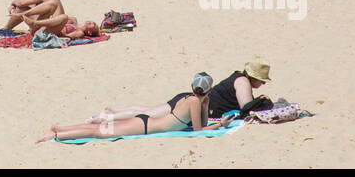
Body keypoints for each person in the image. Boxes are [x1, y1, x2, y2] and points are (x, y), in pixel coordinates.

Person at [37, 73, 229, 142]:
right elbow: (198, 130)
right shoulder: (194, 102)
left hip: (144, 122)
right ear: (209, 89)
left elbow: (201, 123)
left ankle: (60, 129)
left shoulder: (189, 98)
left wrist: (206, 103)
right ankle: (56, 135)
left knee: (99, 129)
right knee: (99, 132)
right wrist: (219, 124)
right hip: (143, 127)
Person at [207, 60, 274, 117]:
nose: (263, 84)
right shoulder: (243, 82)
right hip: (210, 112)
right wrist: (261, 99)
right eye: (262, 81)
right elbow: (247, 110)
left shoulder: (239, 76)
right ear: (254, 78)